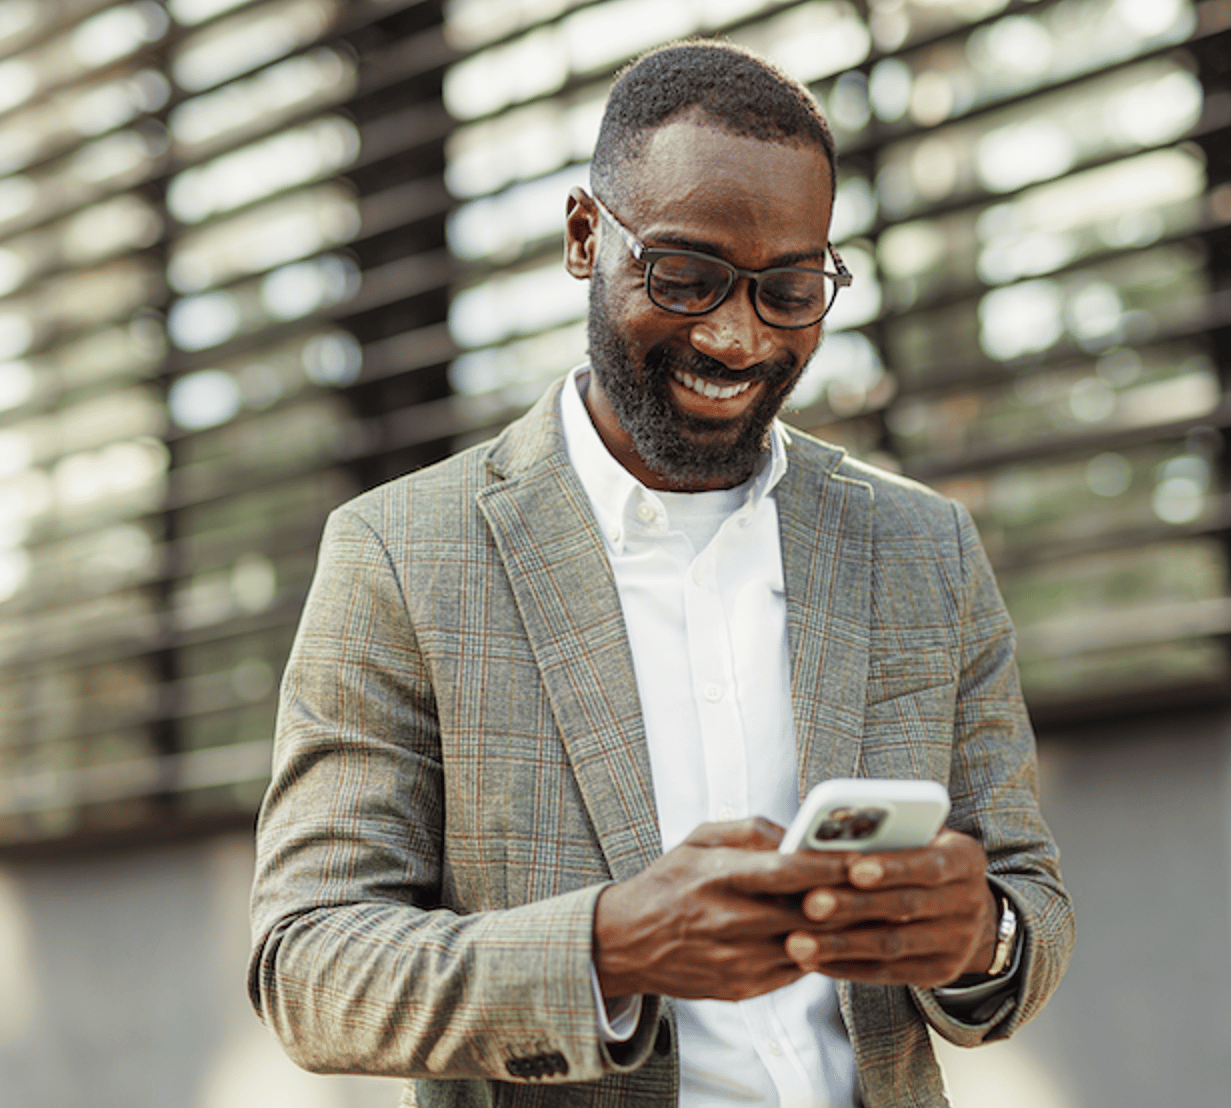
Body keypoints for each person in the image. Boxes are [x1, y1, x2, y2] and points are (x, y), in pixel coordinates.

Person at [249, 39, 1073, 1108]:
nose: (737, 337)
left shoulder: (922, 549)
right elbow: (308, 964)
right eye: (686, 277)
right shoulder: (404, 555)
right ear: (587, 237)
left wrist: (981, 935)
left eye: (790, 289)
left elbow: (1030, 906)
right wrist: (607, 948)